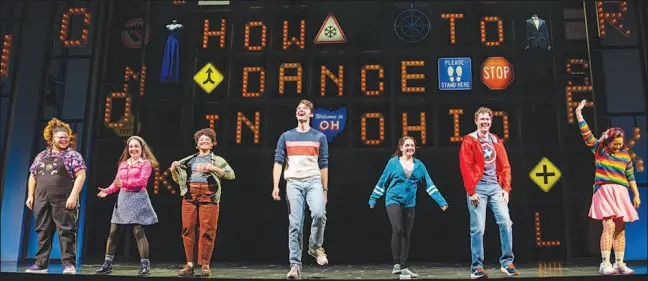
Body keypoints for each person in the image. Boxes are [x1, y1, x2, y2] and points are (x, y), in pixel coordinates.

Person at [574, 99, 640, 275]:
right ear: (608, 141)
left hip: (621, 193)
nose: (618, 146)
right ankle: (605, 263)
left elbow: (630, 176)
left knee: (621, 228)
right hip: (604, 191)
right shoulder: (599, 150)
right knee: (608, 226)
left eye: (620, 143)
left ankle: (619, 263)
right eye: (615, 143)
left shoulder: (625, 155)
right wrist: (579, 114)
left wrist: (636, 194)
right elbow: (586, 134)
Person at [369, 136, 449, 279]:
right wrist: (374, 198)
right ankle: (396, 264)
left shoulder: (419, 165)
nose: (410, 148)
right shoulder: (393, 163)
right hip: (393, 199)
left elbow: (429, 185)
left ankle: (404, 266)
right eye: (407, 145)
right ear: (401, 148)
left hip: (410, 203)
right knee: (398, 229)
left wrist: (441, 202)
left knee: (406, 234)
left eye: (412, 145)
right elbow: (383, 181)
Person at [272, 99, 329, 279]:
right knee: (295, 224)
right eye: (299, 109)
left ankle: (314, 247)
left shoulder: (319, 137)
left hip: (313, 181)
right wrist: (275, 186)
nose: (301, 111)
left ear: (311, 114)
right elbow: (278, 161)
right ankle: (295, 265)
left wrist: (325, 189)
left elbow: (323, 164)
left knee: (319, 214)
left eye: (305, 109)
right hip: (293, 183)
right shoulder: (286, 136)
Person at [459, 107, 518, 279]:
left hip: (495, 188)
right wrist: (471, 191)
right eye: (482, 119)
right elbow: (465, 166)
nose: (485, 122)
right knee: (478, 228)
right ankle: (476, 267)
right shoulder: (469, 140)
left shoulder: (496, 140)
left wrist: (506, 189)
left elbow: (505, 166)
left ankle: (507, 262)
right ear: (476, 120)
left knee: (506, 222)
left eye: (487, 119)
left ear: (491, 121)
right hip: (478, 189)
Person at [24, 118, 87, 274]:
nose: (65, 140)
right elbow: (32, 176)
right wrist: (30, 196)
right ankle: (40, 265)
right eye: (61, 137)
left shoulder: (73, 155)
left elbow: (81, 176)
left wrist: (73, 196)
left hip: (63, 199)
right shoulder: (41, 156)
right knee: (43, 230)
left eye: (66, 137)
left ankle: (68, 265)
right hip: (41, 198)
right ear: (52, 139)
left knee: (66, 231)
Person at [170, 128, 235, 277]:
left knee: (207, 229)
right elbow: (178, 179)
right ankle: (190, 264)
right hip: (190, 196)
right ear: (197, 144)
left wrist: (215, 169)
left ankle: (205, 264)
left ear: (212, 144)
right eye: (201, 140)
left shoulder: (218, 160)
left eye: (207, 140)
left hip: (209, 196)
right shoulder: (190, 160)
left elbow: (231, 175)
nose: (204, 142)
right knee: (187, 228)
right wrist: (174, 169)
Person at [94, 136, 160, 276]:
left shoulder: (145, 163)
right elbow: (116, 182)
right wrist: (107, 191)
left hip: (137, 197)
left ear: (142, 148)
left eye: (136, 146)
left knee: (138, 232)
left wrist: (123, 185)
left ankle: (144, 265)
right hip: (123, 198)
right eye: (131, 147)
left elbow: (142, 182)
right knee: (113, 232)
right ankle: (107, 264)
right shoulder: (123, 164)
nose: (133, 149)